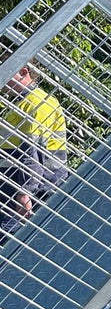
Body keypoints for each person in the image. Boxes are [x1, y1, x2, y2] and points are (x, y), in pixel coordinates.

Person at [2, 63, 68, 237]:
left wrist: (24, 194)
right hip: (18, 190)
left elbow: (32, 153)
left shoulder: (36, 103)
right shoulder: (24, 102)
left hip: (29, 194)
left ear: (23, 72)